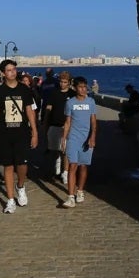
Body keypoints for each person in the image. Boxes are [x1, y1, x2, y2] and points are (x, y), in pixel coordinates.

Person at [0, 59, 38, 214]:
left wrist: (34, 132)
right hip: (5, 135)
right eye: (9, 70)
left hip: (22, 134)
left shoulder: (24, 90)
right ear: (3, 73)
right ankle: (10, 200)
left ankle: (20, 186)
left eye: (14, 69)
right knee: (8, 166)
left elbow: (30, 111)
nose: (12, 72)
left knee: (22, 165)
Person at [60, 76, 98, 208]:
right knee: (72, 166)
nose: (83, 89)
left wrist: (92, 136)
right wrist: (63, 139)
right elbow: (67, 122)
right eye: (80, 87)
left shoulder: (91, 102)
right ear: (75, 88)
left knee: (83, 166)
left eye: (84, 86)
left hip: (86, 139)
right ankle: (70, 197)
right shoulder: (70, 103)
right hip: (73, 138)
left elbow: (93, 121)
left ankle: (80, 191)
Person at [42, 71, 75, 184]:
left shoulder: (72, 94)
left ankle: (65, 172)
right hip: (54, 125)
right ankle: (57, 163)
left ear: (69, 82)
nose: (62, 84)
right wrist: (45, 123)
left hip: (67, 126)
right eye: (61, 81)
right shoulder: (54, 93)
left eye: (65, 82)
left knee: (66, 150)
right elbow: (48, 109)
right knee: (55, 149)